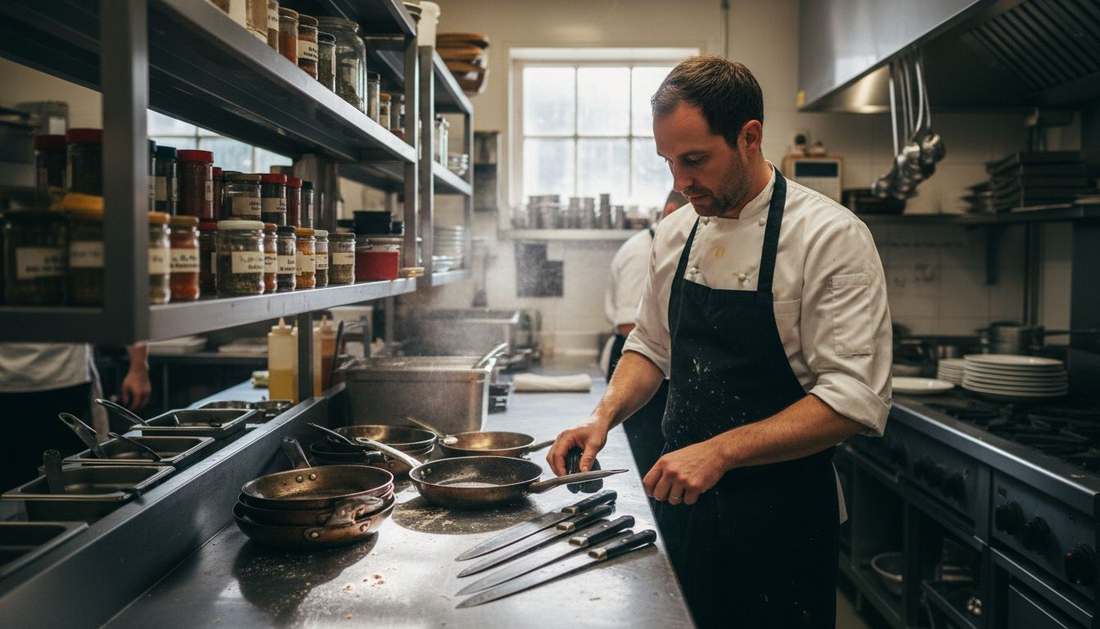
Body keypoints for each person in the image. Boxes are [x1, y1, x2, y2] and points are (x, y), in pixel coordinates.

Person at [547, 56, 892, 628]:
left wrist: (720, 452)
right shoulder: (677, 232)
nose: (678, 183)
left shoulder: (830, 237)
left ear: (749, 137)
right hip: (679, 507)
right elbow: (651, 347)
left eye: (695, 160)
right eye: (668, 162)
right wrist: (603, 414)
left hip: (780, 523)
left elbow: (854, 400)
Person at [601, 190, 686, 474]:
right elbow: (630, 326)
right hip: (637, 363)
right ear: (672, 211)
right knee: (644, 460)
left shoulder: (672, 247)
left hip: (660, 369)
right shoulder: (643, 251)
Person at [0, 342, 151, 490]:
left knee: (73, 478)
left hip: (67, 378)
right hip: (6, 383)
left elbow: (123, 317)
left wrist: (139, 367)